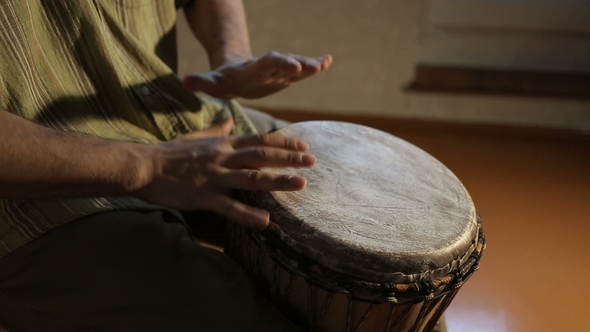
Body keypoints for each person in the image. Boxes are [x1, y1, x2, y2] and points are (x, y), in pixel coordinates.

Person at [0, 0, 332, 331]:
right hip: (31, 189)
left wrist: (232, 54)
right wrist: (151, 166)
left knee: (336, 175)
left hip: (162, 112)